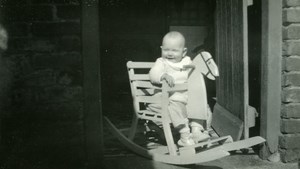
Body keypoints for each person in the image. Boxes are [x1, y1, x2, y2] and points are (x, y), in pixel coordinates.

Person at [148, 31, 209, 146]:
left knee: (200, 102)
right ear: (161, 49)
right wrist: (163, 76)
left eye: (174, 50)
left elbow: (194, 75)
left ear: (184, 51)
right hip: (167, 96)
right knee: (176, 104)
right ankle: (184, 136)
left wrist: (194, 69)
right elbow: (153, 74)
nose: (170, 53)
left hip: (185, 95)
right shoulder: (161, 62)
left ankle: (196, 131)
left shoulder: (187, 61)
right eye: (166, 50)